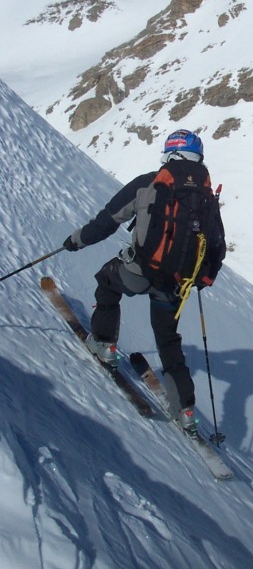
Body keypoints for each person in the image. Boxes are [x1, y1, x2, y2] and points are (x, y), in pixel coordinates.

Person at [63, 129, 226, 435]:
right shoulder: (206, 198)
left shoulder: (148, 183)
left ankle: (105, 344)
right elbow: (217, 248)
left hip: (140, 272)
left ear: (168, 154)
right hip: (176, 284)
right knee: (167, 337)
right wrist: (202, 279)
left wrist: (75, 241)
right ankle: (186, 409)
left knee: (107, 282)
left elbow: (107, 221)